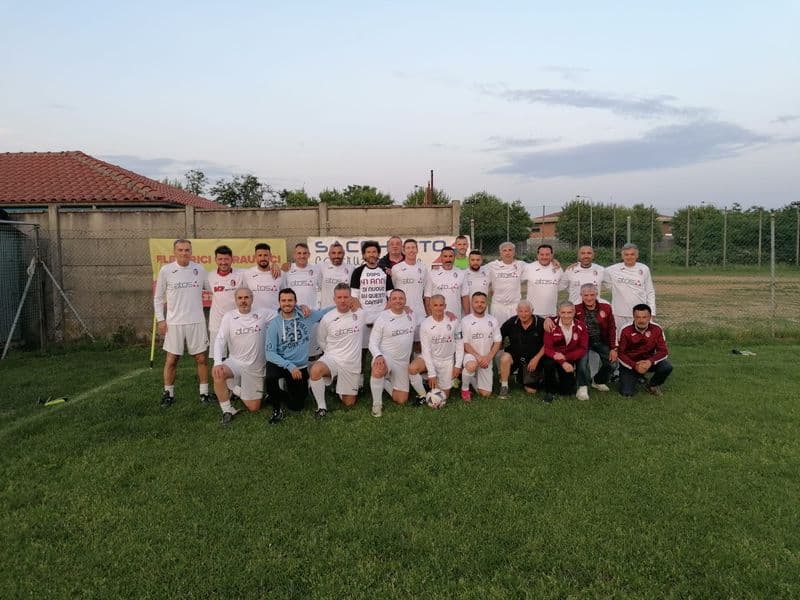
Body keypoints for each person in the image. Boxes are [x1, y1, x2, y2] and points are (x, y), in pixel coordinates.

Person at [153, 238, 212, 408]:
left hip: (196, 321)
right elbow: (158, 298)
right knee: (172, 359)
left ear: (191, 252)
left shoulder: (199, 269)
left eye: (187, 250)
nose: (184, 253)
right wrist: (161, 319)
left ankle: (204, 393)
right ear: (174, 252)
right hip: (174, 323)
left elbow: (213, 288)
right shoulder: (166, 270)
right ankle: (168, 394)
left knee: (201, 358)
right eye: (180, 250)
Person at [264, 288, 334, 423]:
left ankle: (276, 394)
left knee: (297, 406)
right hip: (281, 363)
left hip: (299, 366)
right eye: (283, 300)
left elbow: (324, 312)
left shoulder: (306, 316)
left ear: (295, 302)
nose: (287, 303)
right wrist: (289, 366)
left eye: (290, 300)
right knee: (271, 377)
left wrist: (348, 302)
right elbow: (270, 353)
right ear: (279, 302)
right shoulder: (274, 324)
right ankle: (276, 407)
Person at [212, 287, 275, 425]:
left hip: (255, 366)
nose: (243, 301)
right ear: (235, 300)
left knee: (254, 408)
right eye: (240, 298)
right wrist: (217, 362)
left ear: (252, 299)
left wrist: (302, 308)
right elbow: (220, 340)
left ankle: (235, 389)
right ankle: (227, 410)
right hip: (235, 362)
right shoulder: (229, 317)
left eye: (246, 297)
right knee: (217, 373)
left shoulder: (263, 313)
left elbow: (285, 312)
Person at [309, 283, 365, 417]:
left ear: (351, 297)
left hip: (351, 363)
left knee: (349, 403)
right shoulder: (327, 318)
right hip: (333, 359)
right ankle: (321, 407)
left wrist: (403, 308)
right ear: (334, 299)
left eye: (346, 297)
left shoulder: (360, 314)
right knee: (315, 370)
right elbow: (321, 340)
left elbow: (381, 316)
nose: (343, 300)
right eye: (339, 297)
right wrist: (331, 353)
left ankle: (337, 385)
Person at [368, 289, 416, 417]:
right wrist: (378, 355)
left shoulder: (411, 315)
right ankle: (377, 404)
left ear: (405, 301)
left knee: (401, 399)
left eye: (401, 298)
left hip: (402, 363)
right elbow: (372, 342)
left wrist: (447, 313)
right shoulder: (382, 317)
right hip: (386, 358)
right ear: (389, 301)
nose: (398, 301)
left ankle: (383, 382)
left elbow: (432, 318)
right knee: (378, 368)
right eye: (394, 298)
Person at [409, 294, 464, 402]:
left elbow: (459, 344)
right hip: (431, 358)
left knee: (443, 397)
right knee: (412, 368)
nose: (438, 308)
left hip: (447, 361)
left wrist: (457, 365)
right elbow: (426, 351)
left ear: (445, 306)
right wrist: (432, 373)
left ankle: (431, 383)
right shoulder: (425, 324)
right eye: (435, 305)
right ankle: (423, 395)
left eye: (441, 305)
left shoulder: (454, 321)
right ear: (430, 307)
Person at [617, 303, 673, 397]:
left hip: (648, 362)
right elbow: (620, 353)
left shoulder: (657, 329)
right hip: (631, 363)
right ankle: (636, 376)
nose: (641, 320)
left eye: (644, 317)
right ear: (633, 317)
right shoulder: (625, 330)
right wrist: (634, 365)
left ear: (650, 317)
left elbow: (663, 351)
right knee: (626, 393)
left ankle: (652, 385)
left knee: (666, 366)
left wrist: (650, 361)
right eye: (638, 317)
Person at [574, 284, 617, 400]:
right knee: (582, 363)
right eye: (586, 295)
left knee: (612, 364)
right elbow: (562, 317)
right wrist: (548, 320)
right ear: (581, 295)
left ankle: (597, 381)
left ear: (597, 295)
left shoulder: (606, 307)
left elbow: (612, 328)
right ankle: (582, 387)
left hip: (600, 341)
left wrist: (613, 348)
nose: (589, 298)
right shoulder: (576, 308)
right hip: (583, 343)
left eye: (592, 295)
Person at [604, 243, 656, 340]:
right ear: (622, 256)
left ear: (637, 255)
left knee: (640, 339)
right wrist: (577, 266)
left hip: (639, 313)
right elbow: (595, 272)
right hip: (619, 313)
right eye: (626, 254)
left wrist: (652, 311)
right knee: (620, 339)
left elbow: (650, 291)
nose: (629, 257)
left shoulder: (644, 269)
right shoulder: (612, 269)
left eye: (632, 254)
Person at [540, 300, 588, 403]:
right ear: (558, 312)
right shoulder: (551, 325)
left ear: (574, 312)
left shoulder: (581, 326)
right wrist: (562, 361)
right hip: (554, 356)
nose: (566, 316)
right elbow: (547, 348)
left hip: (569, 357)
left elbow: (583, 348)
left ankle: (565, 381)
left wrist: (566, 358)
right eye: (563, 312)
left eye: (569, 312)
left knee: (567, 391)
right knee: (548, 363)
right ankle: (550, 392)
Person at [497, 300, 546, 398]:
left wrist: (536, 359)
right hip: (515, 356)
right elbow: (498, 336)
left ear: (532, 311)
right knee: (505, 357)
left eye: (526, 311)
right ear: (517, 311)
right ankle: (504, 386)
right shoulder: (511, 322)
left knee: (531, 390)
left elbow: (547, 344)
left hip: (532, 360)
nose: (523, 314)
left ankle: (521, 376)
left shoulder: (541, 323)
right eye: (520, 311)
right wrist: (500, 345)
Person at [460, 292, 502, 400]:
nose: (479, 304)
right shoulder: (465, 321)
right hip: (471, 356)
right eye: (476, 302)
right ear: (472, 303)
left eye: (482, 302)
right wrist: (478, 357)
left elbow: (498, 341)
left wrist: (488, 357)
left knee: (485, 394)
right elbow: (465, 344)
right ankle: (465, 389)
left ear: (486, 303)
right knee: (471, 366)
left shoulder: (493, 320)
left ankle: (471, 378)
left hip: (487, 359)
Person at [351, 240, 393, 346]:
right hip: (363, 320)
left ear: (378, 254)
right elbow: (354, 297)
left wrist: (383, 315)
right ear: (364, 255)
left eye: (374, 252)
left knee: (382, 348)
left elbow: (391, 296)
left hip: (382, 318)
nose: (371, 254)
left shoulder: (384, 272)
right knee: (363, 349)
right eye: (368, 252)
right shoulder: (357, 272)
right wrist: (363, 316)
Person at [390, 238, 427, 343]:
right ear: (404, 250)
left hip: (419, 313)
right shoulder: (396, 268)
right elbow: (393, 291)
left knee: (419, 345)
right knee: (403, 343)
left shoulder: (423, 268)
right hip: (401, 312)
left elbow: (426, 293)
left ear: (417, 250)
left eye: (413, 247)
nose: (411, 250)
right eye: (408, 248)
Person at [207, 245, 242, 353]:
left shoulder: (242, 274)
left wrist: (275, 266)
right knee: (218, 357)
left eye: (226, 259)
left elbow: (260, 271)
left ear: (232, 259)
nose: (223, 262)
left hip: (237, 322)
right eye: (220, 259)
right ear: (215, 260)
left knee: (238, 356)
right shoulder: (209, 276)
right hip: (217, 324)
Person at [486, 241, 526, 326]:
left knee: (515, 330)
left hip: (514, 305)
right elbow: (477, 268)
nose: (507, 253)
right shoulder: (492, 266)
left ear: (514, 252)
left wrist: (553, 261)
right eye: (504, 250)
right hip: (498, 306)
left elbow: (537, 266)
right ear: (500, 253)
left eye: (510, 250)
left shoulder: (521, 265)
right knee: (498, 331)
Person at [424, 246, 469, 319]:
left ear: (454, 257)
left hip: (456, 317)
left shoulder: (461, 273)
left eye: (450, 256)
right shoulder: (432, 274)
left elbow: (465, 296)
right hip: (437, 319)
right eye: (445, 256)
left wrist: (467, 317)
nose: (448, 259)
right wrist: (430, 317)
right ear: (441, 257)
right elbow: (427, 297)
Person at [524, 244, 563, 318]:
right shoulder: (528, 267)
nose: (544, 257)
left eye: (547, 254)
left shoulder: (558, 268)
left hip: (551, 313)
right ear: (537, 255)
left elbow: (561, 286)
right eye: (542, 254)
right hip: (532, 313)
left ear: (552, 255)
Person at [244, 243, 284, 313]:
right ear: (255, 257)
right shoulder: (247, 274)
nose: (263, 258)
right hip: (254, 315)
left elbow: (285, 295)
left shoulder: (280, 273)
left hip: (275, 314)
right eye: (260, 255)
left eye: (265, 255)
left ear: (270, 256)